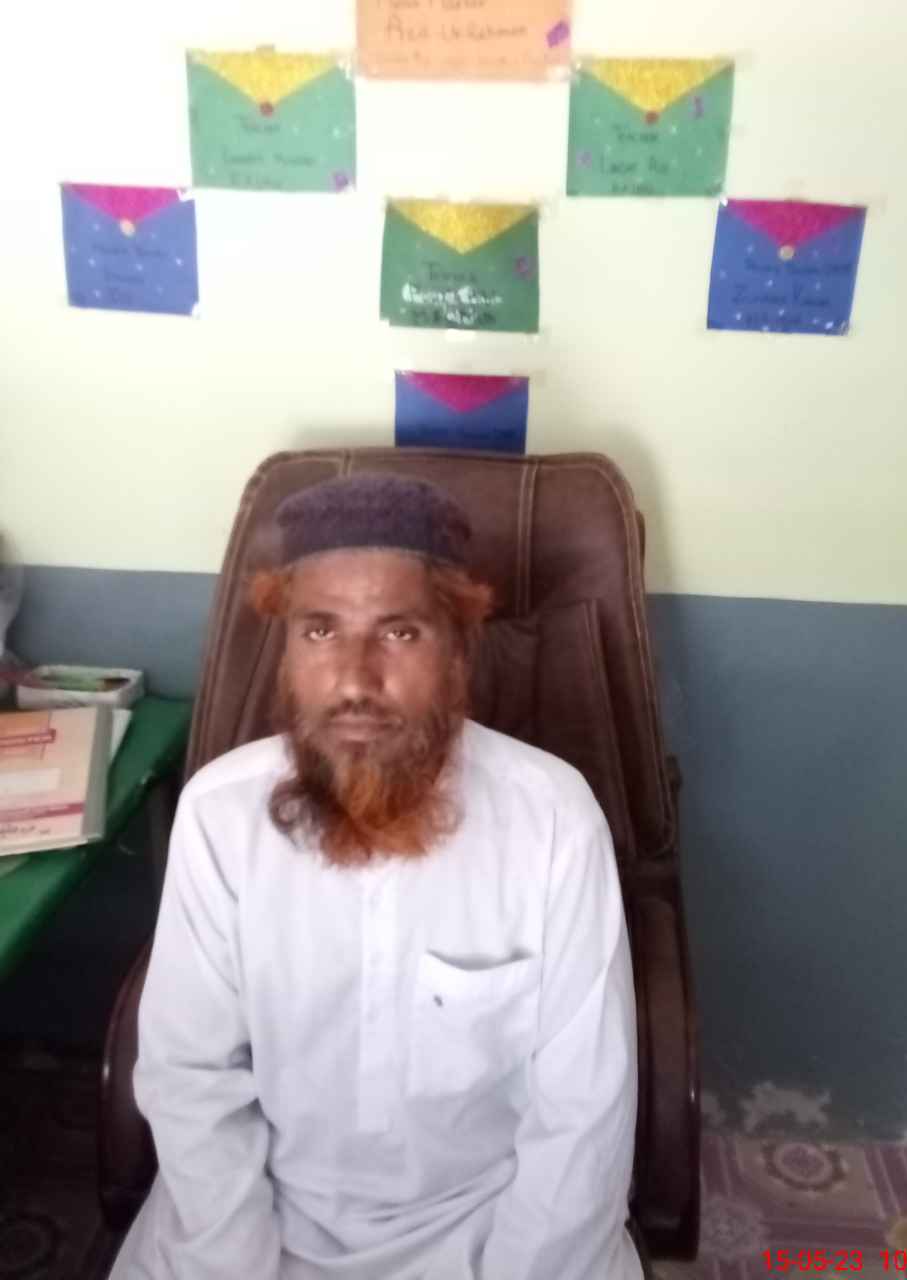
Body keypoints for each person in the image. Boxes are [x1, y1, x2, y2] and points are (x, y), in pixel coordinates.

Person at [109, 473, 644, 1280]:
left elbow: (583, 1112)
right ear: (286, 647)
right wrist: (233, 1263)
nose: (355, 680)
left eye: (399, 632)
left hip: (491, 1221)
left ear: (459, 648)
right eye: (320, 630)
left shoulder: (554, 820)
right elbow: (192, 1078)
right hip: (257, 1216)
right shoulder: (220, 814)